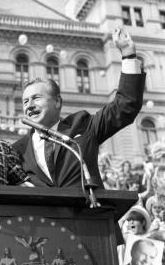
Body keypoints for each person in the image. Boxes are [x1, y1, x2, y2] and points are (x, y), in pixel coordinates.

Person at [13, 27, 145, 190]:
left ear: (57, 102)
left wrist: (128, 54)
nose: (30, 106)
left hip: (89, 212)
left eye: (36, 98)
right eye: (25, 102)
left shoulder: (83, 125)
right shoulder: (18, 150)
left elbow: (126, 105)